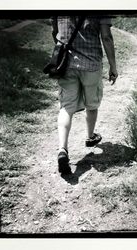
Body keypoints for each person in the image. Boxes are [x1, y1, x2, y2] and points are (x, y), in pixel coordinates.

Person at [51, 16, 118, 174]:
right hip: (91, 63)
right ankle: (90, 136)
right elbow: (106, 37)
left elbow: (55, 33)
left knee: (66, 107)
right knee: (92, 103)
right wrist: (113, 66)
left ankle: (62, 149)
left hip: (66, 64)